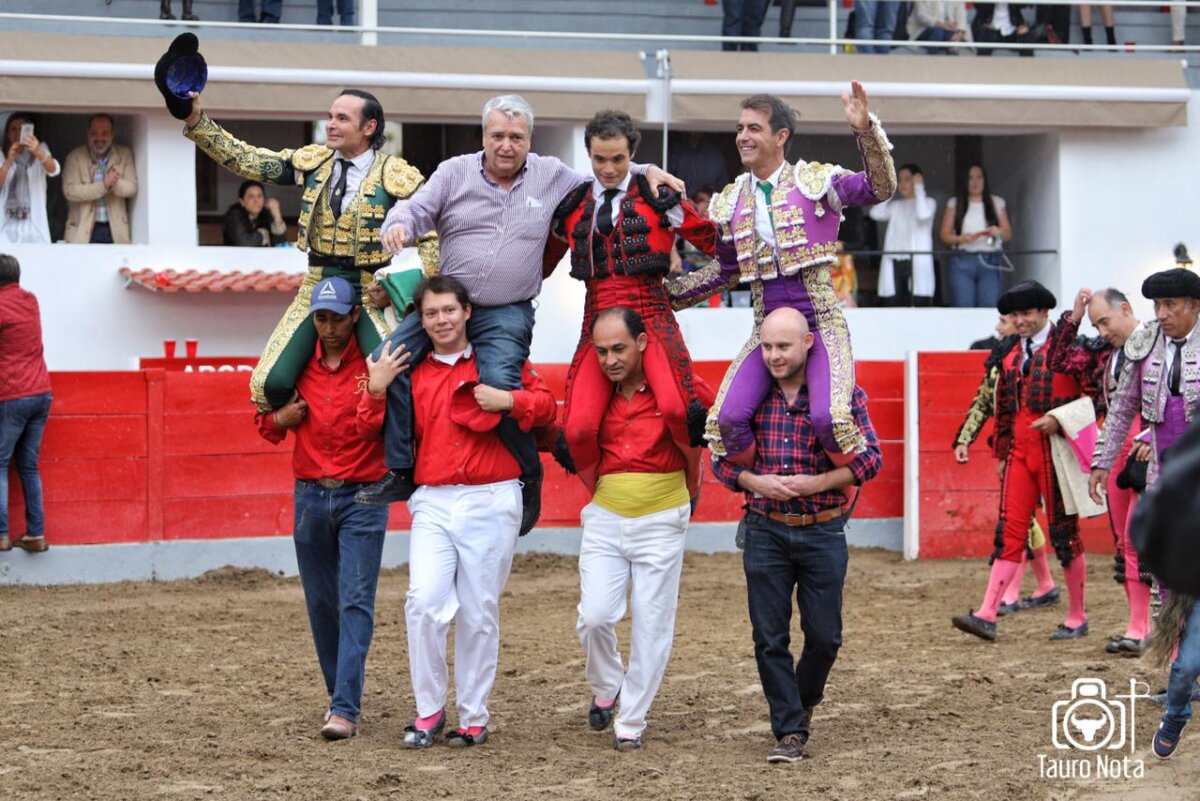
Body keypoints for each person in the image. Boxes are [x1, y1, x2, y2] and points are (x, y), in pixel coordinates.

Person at [355, 94, 681, 537]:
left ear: (529, 139)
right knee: (388, 358)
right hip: (449, 303)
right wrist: (400, 225)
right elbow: (416, 208)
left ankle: (529, 474)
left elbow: (605, 174)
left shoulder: (550, 174)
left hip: (507, 310)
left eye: (516, 136)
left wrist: (647, 171)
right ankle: (400, 467)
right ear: (484, 136)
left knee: (501, 388)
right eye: (498, 135)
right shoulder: (454, 171)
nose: (506, 145)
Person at [365, 275, 556, 750]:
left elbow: (548, 407)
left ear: (467, 312)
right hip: (432, 498)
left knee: (478, 611)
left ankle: (473, 715)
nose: (441, 320)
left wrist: (509, 400)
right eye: (431, 313)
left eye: (449, 310)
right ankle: (429, 709)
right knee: (424, 603)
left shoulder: (497, 362)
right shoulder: (409, 369)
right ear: (421, 320)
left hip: (492, 497)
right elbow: (368, 428)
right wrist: (375, 387)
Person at [666, 86, 895, 467]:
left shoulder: (816, 182)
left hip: (820, 322)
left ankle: (834, 491)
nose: (742, 136)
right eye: (740, 128)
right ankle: (765, 490)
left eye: (754, 128)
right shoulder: (730, 201)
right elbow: (726, 270)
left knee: (831, 420)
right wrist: (665, 297)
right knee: (725, 421)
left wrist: (865, 132)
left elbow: (879, 188)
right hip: (766, 329)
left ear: (780, 136)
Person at [177, 87, 436, 412]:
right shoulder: (315, 163)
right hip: (317, 284)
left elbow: (434, 237)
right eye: (330, 116)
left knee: (399, 381)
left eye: (342, 118)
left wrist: (401, 289)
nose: (330, 124)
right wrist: (197, 120)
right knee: (268, 385)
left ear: (369, 128)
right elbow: (249, 161)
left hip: (370, 291)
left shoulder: (396, 175)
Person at [711, 307, 882, 763]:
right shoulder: (747, 400)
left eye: (783, 346)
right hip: (765, 527)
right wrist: (753, 482)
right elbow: (719, 461)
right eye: (766, 347)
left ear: (808, 343)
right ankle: (789, 730)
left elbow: (871, 459)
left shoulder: (840, 396)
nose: (773, 356)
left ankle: (802, 703)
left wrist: (819, 483)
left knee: (826, 637)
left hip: (823, 528)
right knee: (769, 637)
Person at [254, 275, 401, 740]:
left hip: (363, 496)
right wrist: (281, 418)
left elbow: (370, 432)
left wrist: (375, 392)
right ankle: (340, 692)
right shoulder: (299, 367)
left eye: (338, 318)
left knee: (355, 601)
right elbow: (265, 419)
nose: (330, 328)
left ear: (355, 316)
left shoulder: (374, 364)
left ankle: (344, 707)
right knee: (321, 603)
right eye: (321, 318)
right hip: (310, 495)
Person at [548, 110, 716, 497]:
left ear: (632, 155)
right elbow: (539, 262)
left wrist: (687, 291)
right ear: (588, 155)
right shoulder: (572, 204)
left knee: (679, 411)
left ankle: (692, 479)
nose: (608, 168)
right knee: (575, 430)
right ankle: (601, 496)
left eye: (618, 159)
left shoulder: (660, 197)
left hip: (651, 315)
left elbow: (716, 244)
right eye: (599, 159)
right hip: (598, 320)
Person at [572, 307, 694, 751]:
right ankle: (608, 684)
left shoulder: (674, 389)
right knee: (594, 617)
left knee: (652, 623)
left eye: (618, 348)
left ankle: (632, 718)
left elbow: (709, 419)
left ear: (642, 343)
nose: (609, 360)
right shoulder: (594, 394)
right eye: (601, 351)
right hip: (605, 516)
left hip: (662, 520)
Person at [953, 281, 1096, 642]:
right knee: (1010, 532)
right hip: (1020, 451)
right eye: (1014, 315)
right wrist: (1001, 453)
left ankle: (1077, 616)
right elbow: (1002, 409)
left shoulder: (1069, 349)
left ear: (1045, 313)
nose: (1020, 321)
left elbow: (1097, 398)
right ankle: (987, 613)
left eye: (1026, 313)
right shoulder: (1008, 352)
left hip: (1056, 451)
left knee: (1065, 535)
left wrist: (1060, 419)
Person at [1050, 287, 1150, 655]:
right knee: (1125, 542)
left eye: (1104, 322)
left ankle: (1146, 627)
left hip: (1148, 445)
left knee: (1141, 538)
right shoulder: (1105, 354)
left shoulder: (1155, 341)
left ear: (1125, 309)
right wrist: (1074, 317)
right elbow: (1058, 360)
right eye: (1096, 325)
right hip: (1117, 447)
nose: (1102, 331)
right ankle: (1138, 625)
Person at [953, 312, 1058, 616]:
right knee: (1022, 520)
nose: (998, 327)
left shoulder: (1035, 357)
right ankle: (1044, 584)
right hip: (1011, 450)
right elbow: (983, 402)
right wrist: (964, 439)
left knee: (1021, 522)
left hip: (1038, 450)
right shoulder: (1003, 360)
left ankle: (1013, 593)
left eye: (1004, 320)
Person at [1090, 269, 1200, 515]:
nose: (1161, 314)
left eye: (1170, 305)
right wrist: (1102, 462)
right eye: (1157, 305)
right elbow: (1120, 410)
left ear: (1194, 305)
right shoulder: (1145, 343)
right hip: (1159, 469)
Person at [0, 254, 52, 554]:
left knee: (0, 464)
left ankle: (2, 534)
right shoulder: (30, 301)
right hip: (41, 392)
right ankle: (35, 534)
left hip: (12, 395)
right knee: (29, 467)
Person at [940, 163, 1011, 308]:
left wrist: (998, 231)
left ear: (985, 180)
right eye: (970, 178)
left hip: (990, 259)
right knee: (963, 304)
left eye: (979, 177)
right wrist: (960, 238)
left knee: (990, 304)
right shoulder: (955, 203)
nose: (975, 182)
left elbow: (1008, 234)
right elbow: (944, 235)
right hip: (962, 259)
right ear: (965, 182)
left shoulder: (996, 202)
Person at [62, 114, 138, 245]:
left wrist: (115, 183)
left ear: (113, 134)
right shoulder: (74, 157)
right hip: (81, 231)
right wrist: (104, 185)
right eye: (94, 133)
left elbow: (131, 188)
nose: (99, 138)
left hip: (115, 231)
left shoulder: (124, 154)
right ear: (87, 134)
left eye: (105, 133)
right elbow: (70, 191)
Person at [868, 162, 936, 307]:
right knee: (894, 303)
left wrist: (919, 189)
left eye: (908, 179)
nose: (903, 184)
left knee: (918, 302)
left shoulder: (929, 203)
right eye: (900, 180)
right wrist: (889, 191)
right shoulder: (896, 206)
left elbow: (923, 214)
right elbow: (875, 213)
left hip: (916, 261)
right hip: (895, 260)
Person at [0, 113, 60, 244]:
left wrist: (37, 151)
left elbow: (54, 169)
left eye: (22, 129)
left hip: (34, 225)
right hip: (6, 224)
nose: (18, 134)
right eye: (13, 129)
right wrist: (9, 160)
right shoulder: (2, 154)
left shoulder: (41, 148)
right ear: (7, 134)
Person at [223, 180, 287, 247]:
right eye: (251, 196)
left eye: (259, 196)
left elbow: (280, 245)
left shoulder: (266, 215)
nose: (256, 201)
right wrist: (263, 235)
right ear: (242, 202)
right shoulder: (233, 216)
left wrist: (277, 216)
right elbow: (244, 244)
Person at [668, 133, 728, 199]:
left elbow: (724, 189)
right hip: (680, 204)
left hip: (708, 206)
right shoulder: (675, 152)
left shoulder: (715, 154)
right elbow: (665, 183)